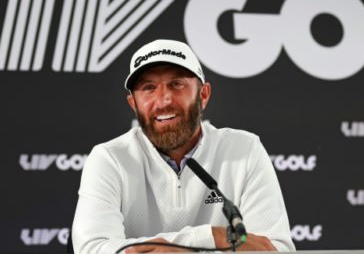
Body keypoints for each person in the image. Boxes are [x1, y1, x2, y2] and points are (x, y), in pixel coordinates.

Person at [72, 39, 295, 253]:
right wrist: (212, 238)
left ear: (203, 94)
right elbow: (93, 249)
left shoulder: (244, 150)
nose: (163, 100)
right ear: (134, 104)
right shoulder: (110, 158)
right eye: (148, 88)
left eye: (176, 84)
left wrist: (184, 245)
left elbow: (274, 249)